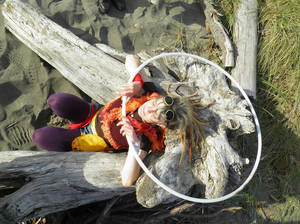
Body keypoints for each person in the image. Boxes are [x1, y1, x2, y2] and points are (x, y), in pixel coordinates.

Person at [32, 55, 208, 186]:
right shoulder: (148, 93)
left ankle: (67, 140)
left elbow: (127, 180)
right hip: (91, 115)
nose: (150, 108)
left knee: (41, 137)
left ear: (161, 124)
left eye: (156, 114)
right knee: (57, 101)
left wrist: (135, 145)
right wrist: (137, 82)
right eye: (156, 103)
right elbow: (131, 59)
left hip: (86, 141)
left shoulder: (145, 138)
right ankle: (75, 118)